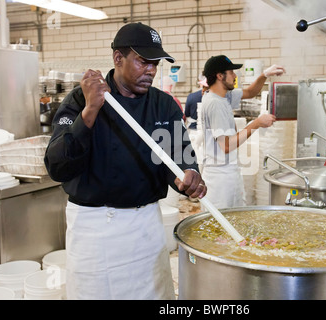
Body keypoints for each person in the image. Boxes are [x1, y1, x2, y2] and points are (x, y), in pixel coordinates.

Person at [44, 22, 206, 300]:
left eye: (155, 63)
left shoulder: (163, 105)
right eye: (144, 62)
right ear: (118, 58)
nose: (152, 70)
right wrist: (90, 110)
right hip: (95, 230)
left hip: (145, 228)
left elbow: (179, 155)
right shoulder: (81, 100)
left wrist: (188, 175)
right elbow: (57, 166)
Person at [201, 55, 285, 209]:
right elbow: (226, 146)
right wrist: (257, 123)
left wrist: (264, 74)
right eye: (231, 72)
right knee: (220, 227)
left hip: (230, 172)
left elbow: (251, 92)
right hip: (219, 179)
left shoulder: (225, 96)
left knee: (233, 220)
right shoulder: (215, 104)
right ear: (220, 76)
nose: (235, 76)